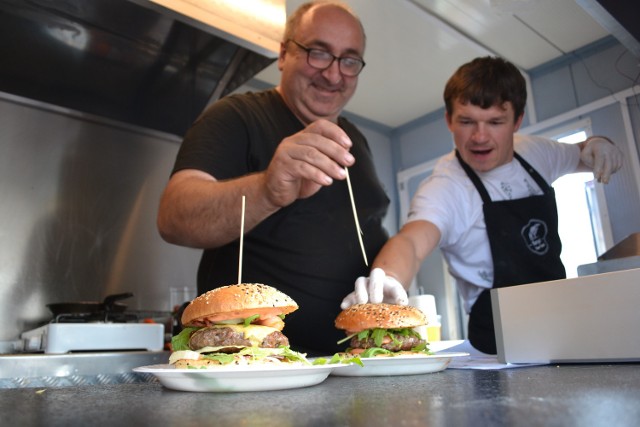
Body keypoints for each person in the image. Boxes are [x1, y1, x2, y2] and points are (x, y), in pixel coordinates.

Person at [342, 56, 624, 354]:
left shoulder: (537, 152)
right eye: (466, 121)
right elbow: (412, 241)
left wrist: (600, 142)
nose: (479, 137)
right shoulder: (444, 186)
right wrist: (388, 277)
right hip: (496, 340)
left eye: (495, 122)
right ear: (449, 120)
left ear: (517, 121)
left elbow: (584, 152)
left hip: (562, 322)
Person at [157, 1, 390, 356]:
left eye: (349, 60)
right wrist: (267, 189)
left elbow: (373, 231)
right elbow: (173, 218)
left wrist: (391, 275)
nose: (333, 74)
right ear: (284, 54)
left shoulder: (357, 140)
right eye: (318, 53)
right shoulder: (235, 116)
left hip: (354, 363)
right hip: (252, 368)